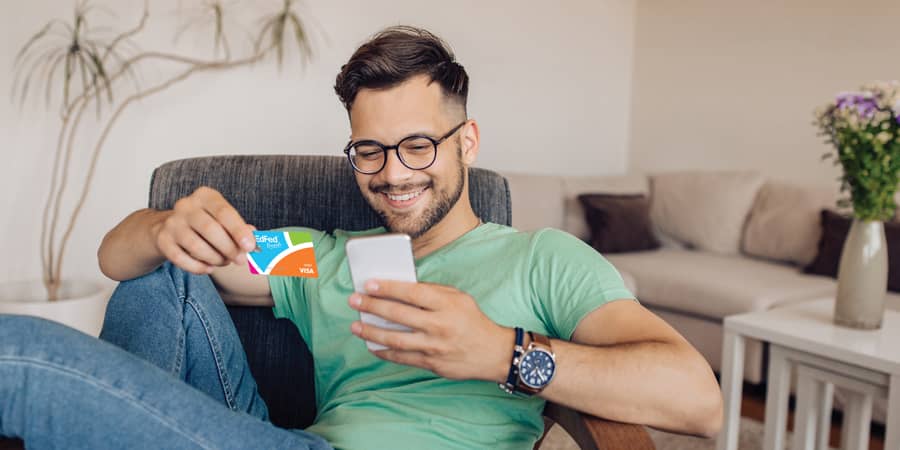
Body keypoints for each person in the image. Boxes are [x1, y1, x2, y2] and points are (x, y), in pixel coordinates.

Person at [0, 26, 722, 449]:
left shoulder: (541, 259)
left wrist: (502, 352)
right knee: (167, 268)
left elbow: (698, 397)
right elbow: (115, 258)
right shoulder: (325, 255)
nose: (393, 173)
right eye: (370, 150)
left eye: (418, 145)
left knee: (19, 356)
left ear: (466, 141)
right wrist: (164, 226)